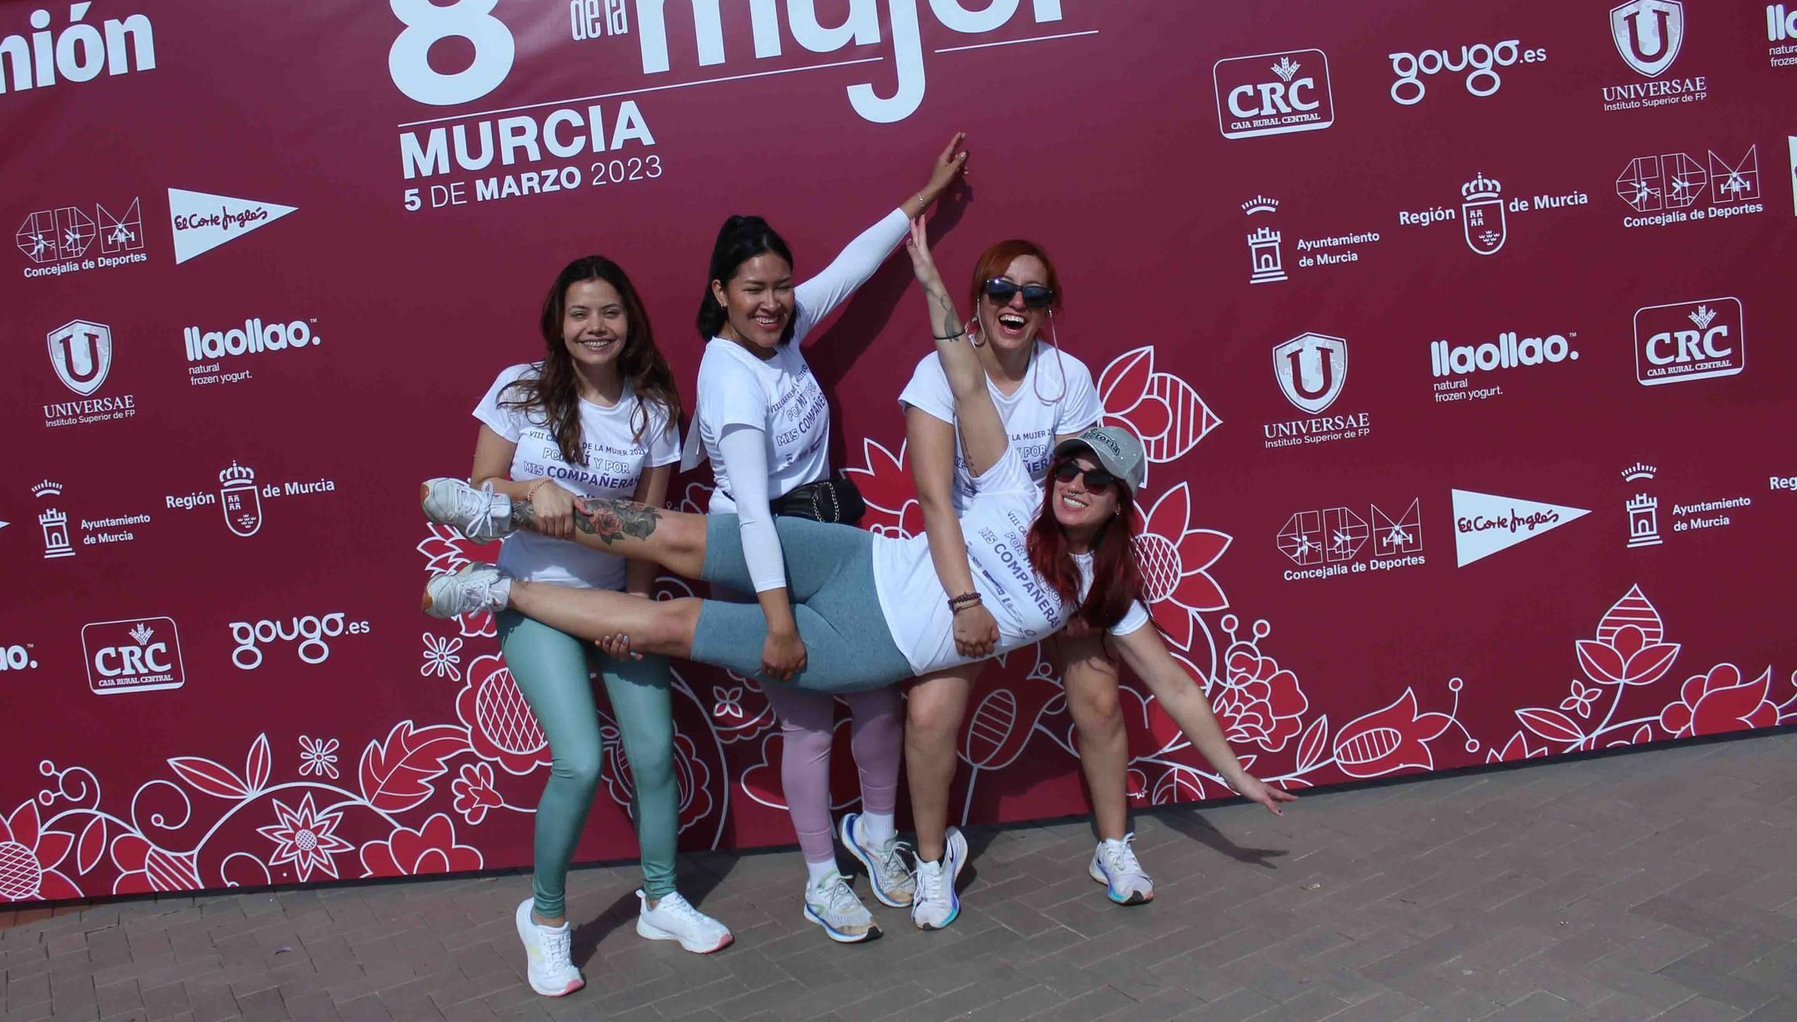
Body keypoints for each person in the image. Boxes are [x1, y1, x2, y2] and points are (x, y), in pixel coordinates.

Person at [421, 216, 1292, 932]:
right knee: (669, 531)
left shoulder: (1103, 590)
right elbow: (964, 375)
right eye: (1071, 466)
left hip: (859, 642)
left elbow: (1175, 689)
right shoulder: (1018, 489)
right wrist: (935, 286)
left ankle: (495, 589)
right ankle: (499, 512)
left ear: (1117, 503)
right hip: (851, 555)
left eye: (1096, 480)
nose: (1074, 484)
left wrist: (1239, 774)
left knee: (673, 628)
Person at [682, 131, 966, 943]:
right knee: (807, 721)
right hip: (764, 552)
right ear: (721, 291)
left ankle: (877, 838)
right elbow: (758, 517)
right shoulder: (731, 374)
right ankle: (819, 880)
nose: (771, 302)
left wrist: (926, 195)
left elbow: (852, 263)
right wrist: (776, 622)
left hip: (830, 535)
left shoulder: (785, 321)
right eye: (752, 289)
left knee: (878, 697)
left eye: (778, 286)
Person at [460, 256, 730, 998]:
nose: (595, 326)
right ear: (560, 322)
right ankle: (546, 922)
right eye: (580, 313)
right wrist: (531, 485)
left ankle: (661, 898)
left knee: (653, 752)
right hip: (535, 598)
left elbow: (649, 528)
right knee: (578, 761)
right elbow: (478, 486)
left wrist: (636, 617)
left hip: (614, 600)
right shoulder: (521, 391)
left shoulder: (652, 409)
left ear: (629, 318)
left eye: (609, 311)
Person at [899, 239, 1157, 907]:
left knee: (1099, 697)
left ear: (1050, 309)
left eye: (1034, 295)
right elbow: (934, 497)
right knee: (928, 712)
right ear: (977, 298)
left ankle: (1113, 847)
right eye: (1000, 289)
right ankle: (933, 860)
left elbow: (1079, 491)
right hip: (967, 562)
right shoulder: (937, 372)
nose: (1016, 304)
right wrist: (963, 598)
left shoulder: (1070, 376)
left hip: (1051, 563)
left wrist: (1071, 587)